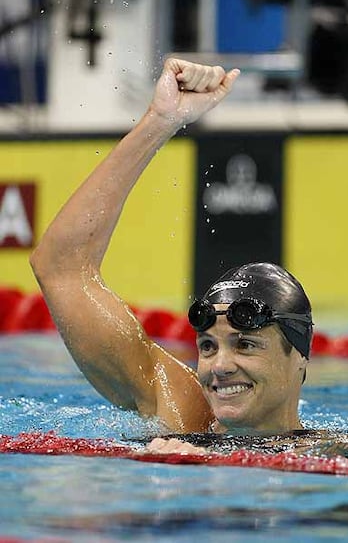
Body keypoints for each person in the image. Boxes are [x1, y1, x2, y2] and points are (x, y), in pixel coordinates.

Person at [30, 57, 332, 455]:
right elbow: (61, 267)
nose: (219, 367)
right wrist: (160, 120)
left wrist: (214, 463)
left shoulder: (337, 451)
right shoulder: (184, 412)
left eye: (245, 345)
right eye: (207, 346)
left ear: (300, 357)